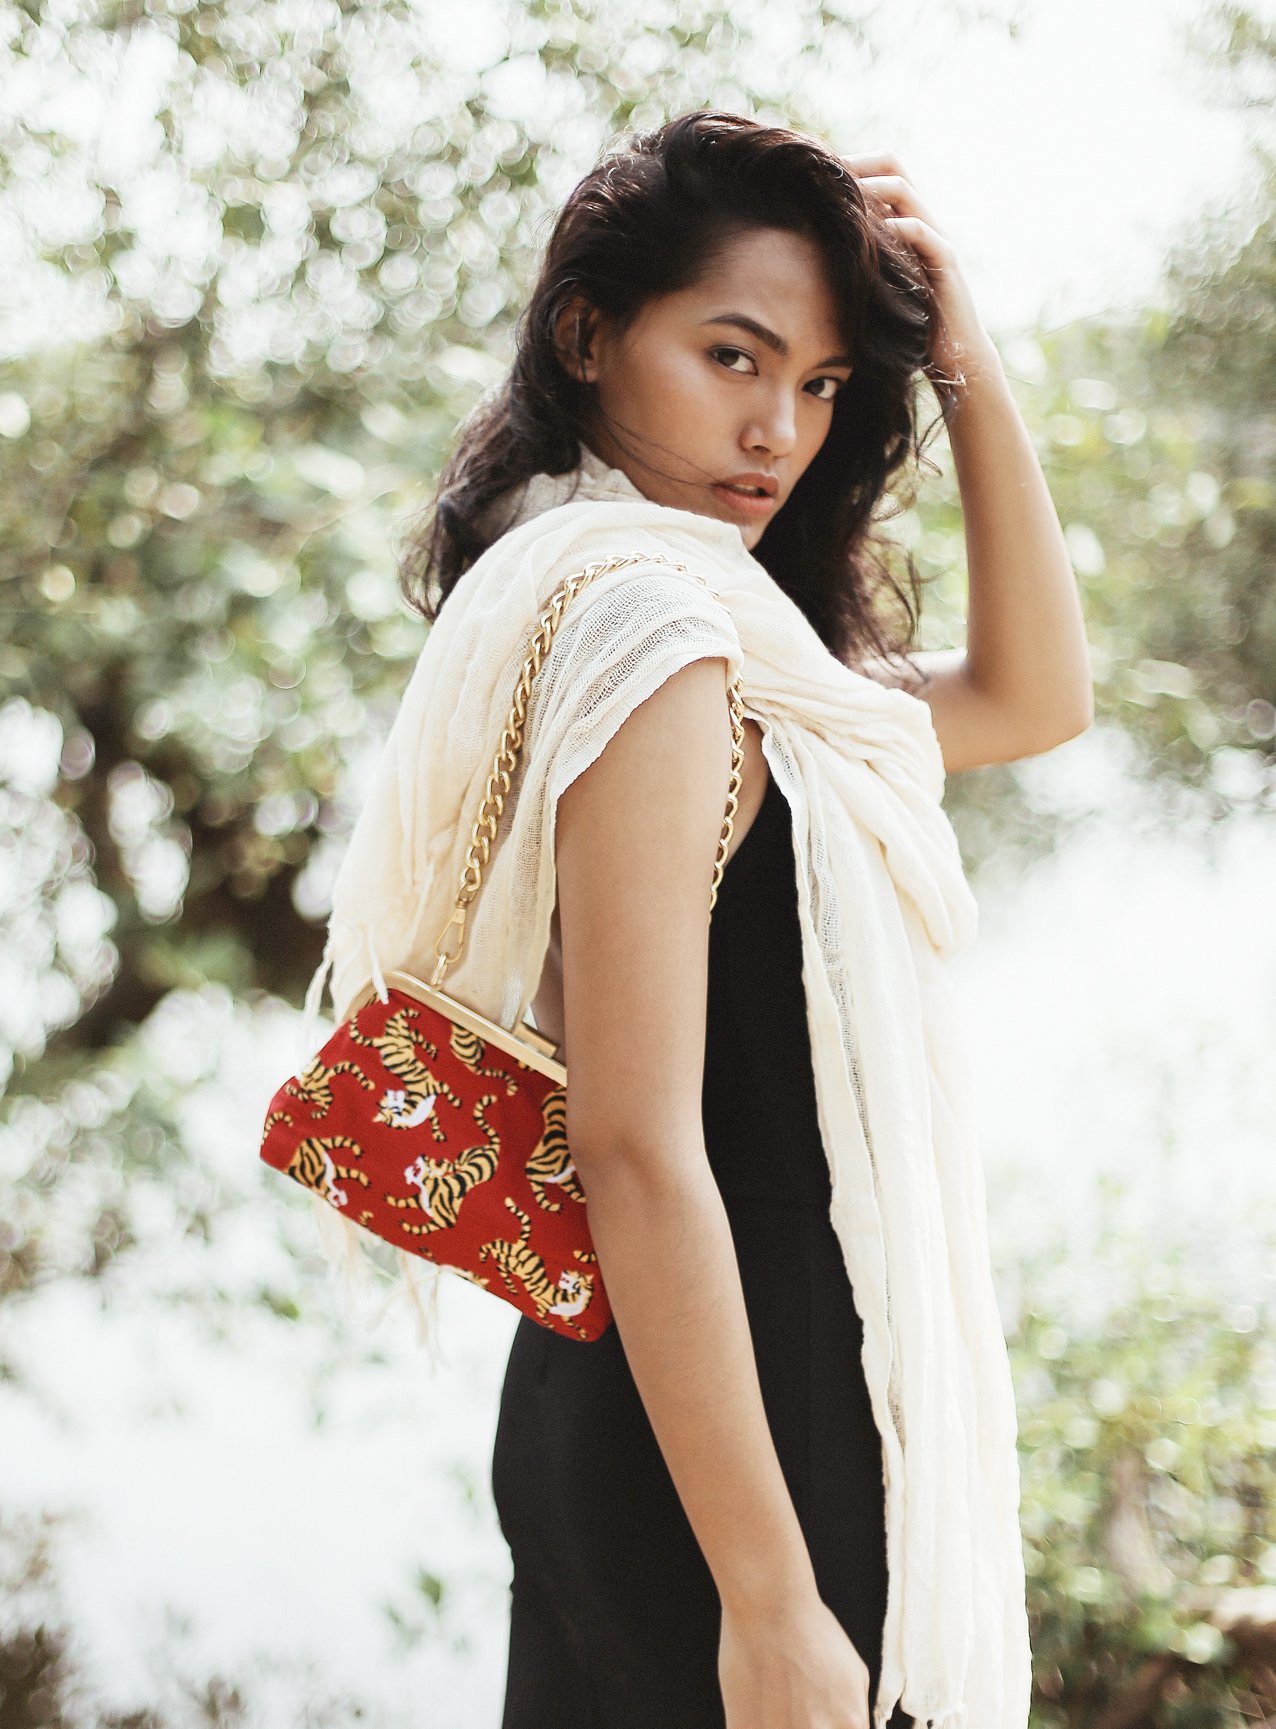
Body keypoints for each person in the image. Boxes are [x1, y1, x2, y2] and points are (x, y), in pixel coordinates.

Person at [329, 109, 1093, 1729]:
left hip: (637, 1393)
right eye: (733, 357)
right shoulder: (653, 636)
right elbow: (633, 1139)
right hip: (748, 1448)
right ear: (591, 335)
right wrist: (770, 1597)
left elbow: (1031, 696)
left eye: (820, 385)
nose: (779, 431)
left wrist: (967, 362)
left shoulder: (660, 621)